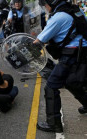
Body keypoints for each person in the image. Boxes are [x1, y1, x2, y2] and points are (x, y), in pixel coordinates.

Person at [33, 0, 87, 133]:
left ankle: (53, 123)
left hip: (71, 55)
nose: (44, 7)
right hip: (83, 52)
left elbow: (39, 41)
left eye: (44, 4)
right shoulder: (75, 10)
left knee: (51, 86)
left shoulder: (58, 17)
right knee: (72, 83)